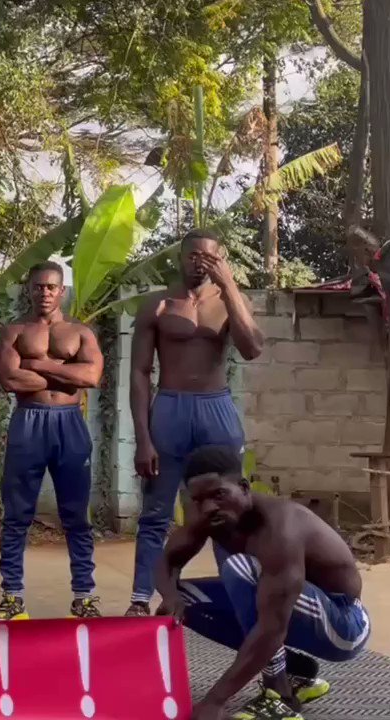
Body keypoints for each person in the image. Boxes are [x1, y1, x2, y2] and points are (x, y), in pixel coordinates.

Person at [157, 446, 369, 720]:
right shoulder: (209, 515)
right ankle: (294, 672)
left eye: (219, 494)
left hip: (344, 624)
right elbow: (167, 561)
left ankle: (279, 695)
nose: (209, 507)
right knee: (185, 598)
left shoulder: (281, 528)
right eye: (199, 500)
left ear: (244, 487)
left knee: (241, 570)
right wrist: (169, 595)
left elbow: (272, 627)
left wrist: (215, 701)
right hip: (288, 608)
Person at [128, 229, 264, 617]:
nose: (199, 263)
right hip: (170, 409)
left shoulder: (230, 301)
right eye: (193, 255)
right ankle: (140, 599)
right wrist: (143, 438)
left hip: (216, 409)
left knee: (228, 510)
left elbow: (253, 348)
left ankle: (240, 598)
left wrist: (229, 285)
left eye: (209, 257)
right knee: (155, 512)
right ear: (180, 258)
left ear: (221, 259)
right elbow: (139, 372)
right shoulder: (157, 305)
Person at [0, 261, 103, 620]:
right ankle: (12, 596)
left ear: (62, 291)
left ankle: (84, 596)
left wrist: (40, 366)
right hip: (29, 423)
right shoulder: (14, 331)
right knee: (17, 514)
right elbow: (10, 380)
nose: (44, 292)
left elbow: (92, 376)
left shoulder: (80, 332)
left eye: (51, 287)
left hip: (69, 424)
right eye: (38, 286)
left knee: (76, 515)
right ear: (29, 289)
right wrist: (67, 375)